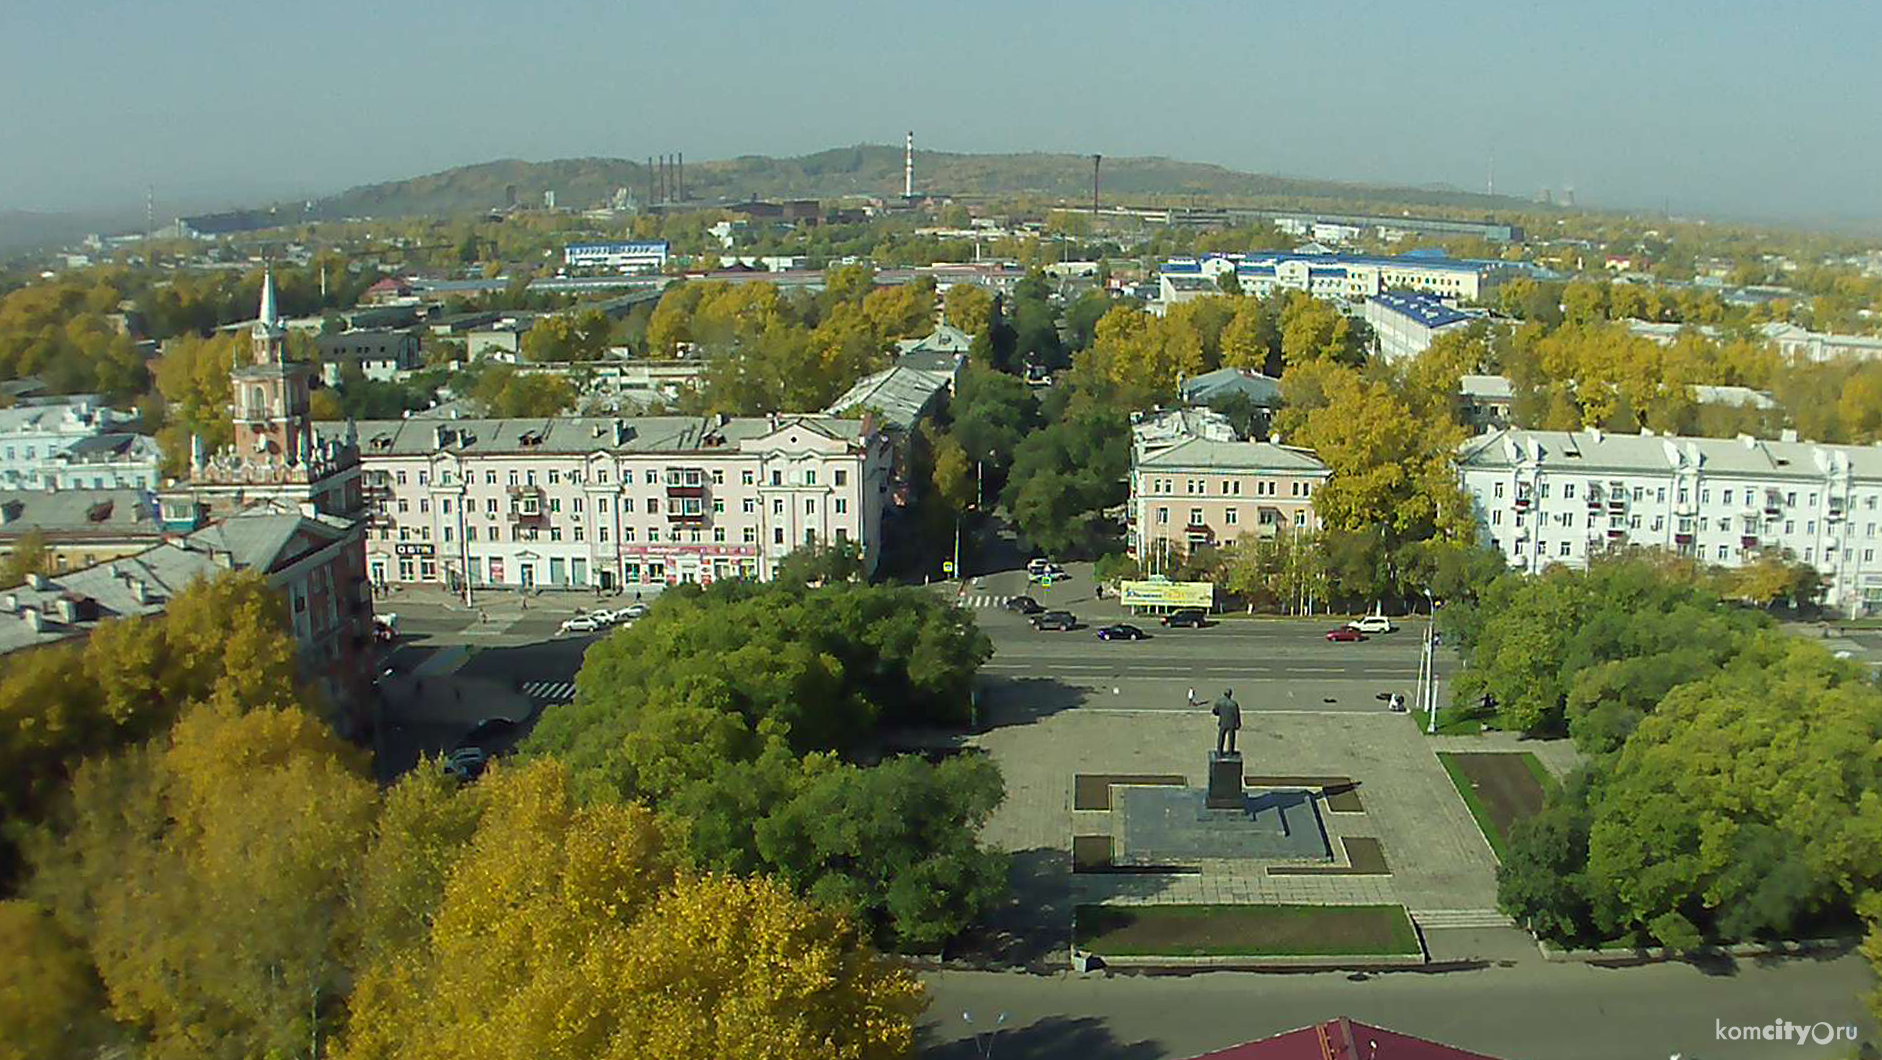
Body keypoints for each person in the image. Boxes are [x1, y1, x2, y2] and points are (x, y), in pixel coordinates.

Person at [1212, 689, 1242, 754]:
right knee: (1231, 739)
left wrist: (1220, 714)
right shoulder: (1234, 704)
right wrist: (1238, 723)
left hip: (1223, 722)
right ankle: (1230, 752)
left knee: (1221, 737)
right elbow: (1237, 715)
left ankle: (1219, 751)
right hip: (1231, 723)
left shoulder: (1219, 702)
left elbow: (1214, 711)